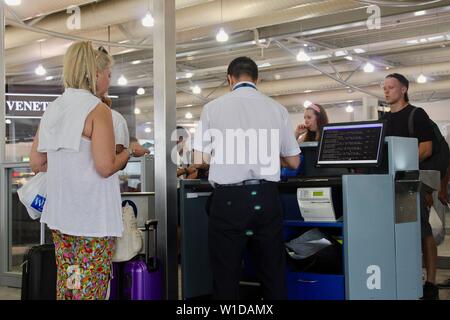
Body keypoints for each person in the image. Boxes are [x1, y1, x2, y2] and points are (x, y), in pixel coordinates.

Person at [193, 56, 300, 300]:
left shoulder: (213, 108)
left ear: (229, 79)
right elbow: (294, 161)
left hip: (228, 200)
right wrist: (269, 155)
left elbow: (200, 159)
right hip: (266, 197)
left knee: (225, 275)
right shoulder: (277, 109)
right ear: (257, 79)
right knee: (272, 273)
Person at [29, 41, 130, 300]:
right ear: (92, 71)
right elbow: (105, 166)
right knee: (91, 288)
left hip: (61, 219)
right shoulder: (97, 110)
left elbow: (37, 162)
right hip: (91, 220)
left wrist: (67, 161)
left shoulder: (53, 109)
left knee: (71, 282)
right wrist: (127, 153)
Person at [382, 73, 438, 300]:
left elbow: (426, 149)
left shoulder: (416, 114)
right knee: (396, 232)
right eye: (384, 87)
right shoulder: (384, 120)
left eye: (391, 87)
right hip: (388, 182)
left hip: (410, 181)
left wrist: (400, 164)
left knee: (422, 231)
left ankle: (431, 283)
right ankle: (403, 277)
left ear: (404, 89)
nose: (386, 91)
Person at [95, 47, 149, 158]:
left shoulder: (63, 110)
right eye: (108, 75)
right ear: (96, 75)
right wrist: (130, 151)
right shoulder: (114, 118)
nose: (109, 82)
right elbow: (108, 165)